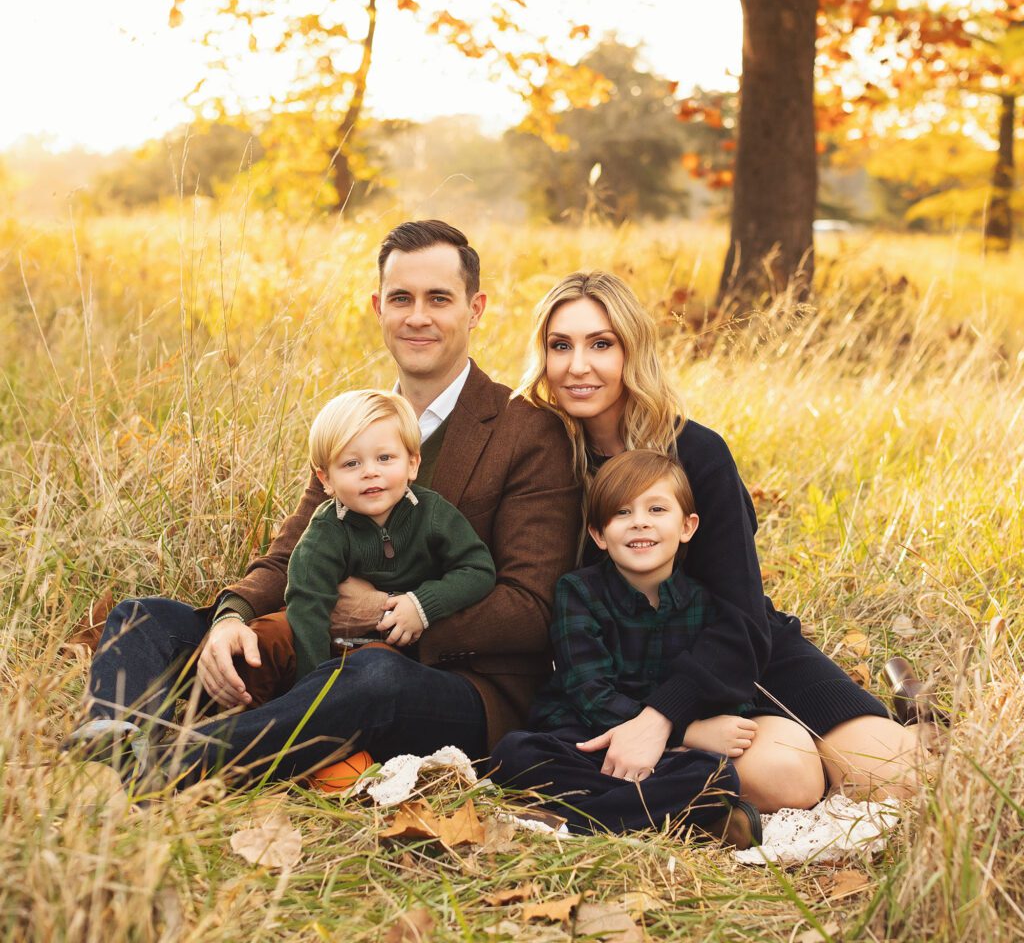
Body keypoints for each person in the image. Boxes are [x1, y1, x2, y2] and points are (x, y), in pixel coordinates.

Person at [66, 220, 580, 787]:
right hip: (321, 655)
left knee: (373, 676)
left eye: (439, 299)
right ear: (377, 308)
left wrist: (390, 614)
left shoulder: (526, 429)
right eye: (400, 298)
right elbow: (290, 558)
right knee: (146, 619)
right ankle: (110, 747)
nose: (417, 316)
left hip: (450, 683)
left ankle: (175, 764)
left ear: (475, 309)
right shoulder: (357, 424)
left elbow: (532, 608)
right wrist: (232, 617)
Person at [512, 270, 923, 811]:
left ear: (632, 352)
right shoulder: (543, 457)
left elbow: (743, 614)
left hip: (733, 655)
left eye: (601, 344)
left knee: (893, 779)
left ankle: (915, 727)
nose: (577, 365)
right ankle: (765, 767)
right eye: (560, 345)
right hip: (622, 675)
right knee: (788, 778)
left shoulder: (697, 453)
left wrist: (664, 717)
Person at [492, 449, 763, 841]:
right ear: (599, 535)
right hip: (586, 739)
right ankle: (663, 818)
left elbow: (720, 690)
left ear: (687, 526)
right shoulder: (578, 592)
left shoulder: (703, 603)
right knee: (514, 753)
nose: (639, 523)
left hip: (662, 760)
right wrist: (685, 733)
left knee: (715, 776)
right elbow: (590, 694)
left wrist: (679, 740)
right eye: (622, 513)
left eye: (656, 510)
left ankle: (571, 820)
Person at [243, 389, 496, 702]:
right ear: (326, 480)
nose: (370, 471)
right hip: (329, 643)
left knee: (374, 662)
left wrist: (422, 605)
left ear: (413, 464)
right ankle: (251, 719)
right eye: (351, 464)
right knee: (266, 638)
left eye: (385, 458)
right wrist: (311, 695)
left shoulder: (432, 514)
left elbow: (478, 568)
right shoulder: (325, 532)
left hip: (393, 650)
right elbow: (308, 608)